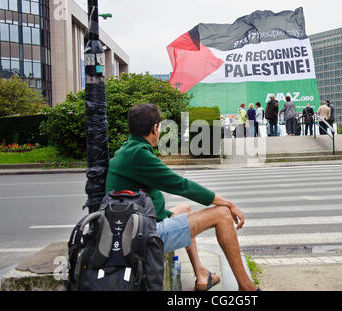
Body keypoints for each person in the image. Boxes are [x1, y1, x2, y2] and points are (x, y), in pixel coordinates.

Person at [106, 104, 259, 291]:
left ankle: (201, 275)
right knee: (223, 214)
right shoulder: (138, 154)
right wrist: (228, 203)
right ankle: (247, 288)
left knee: (184, 209)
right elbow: (181, 185)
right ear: (155, 128)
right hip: (144, 238)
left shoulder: (129, 149)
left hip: (134, 228)